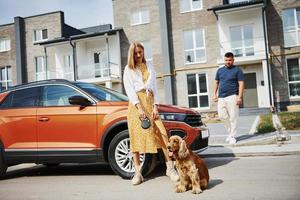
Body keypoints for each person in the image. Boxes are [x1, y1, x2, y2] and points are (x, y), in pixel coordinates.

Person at [123, 42, 179, 185]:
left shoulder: (150, 66)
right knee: (136, 138)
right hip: (136, 105)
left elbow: (154, 87)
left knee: (162, 135)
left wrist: (155, 107)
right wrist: (139, 108)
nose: (138, 55)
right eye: (135, 53)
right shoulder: (128, 69)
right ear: (132, 54)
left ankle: (170, 169)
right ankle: (138, 174)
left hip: (150, 102)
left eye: (140, 52)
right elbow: (129, 90)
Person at [213, 52, 244, 144]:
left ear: (233, 60)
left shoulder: (237, 70)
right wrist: (214, 94)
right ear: (224, 60)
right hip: (221, 97)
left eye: (230, 60)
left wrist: (239, 97)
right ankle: (230, 133)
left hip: (232, 96)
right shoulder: (220, 70)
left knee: (233, 117)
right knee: (222, 116)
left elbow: (241, 84)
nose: (228, 62)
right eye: (226, 60)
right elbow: (216, 82)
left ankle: (232, 136)